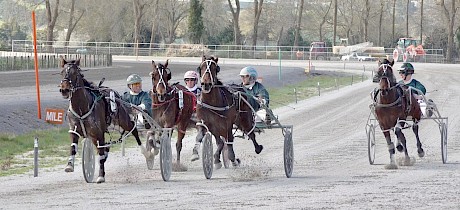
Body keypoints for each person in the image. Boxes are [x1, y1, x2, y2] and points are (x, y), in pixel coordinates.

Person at [122, 74, 158, 155]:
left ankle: (152, 139)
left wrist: (139, 108)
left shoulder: (145, 95)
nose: (138, 86)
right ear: (130, 86)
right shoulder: (125, 96)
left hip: (144, 119)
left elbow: (147, 103)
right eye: (135, 84)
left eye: (139, 84)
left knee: (144, 113)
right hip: (130, 119)